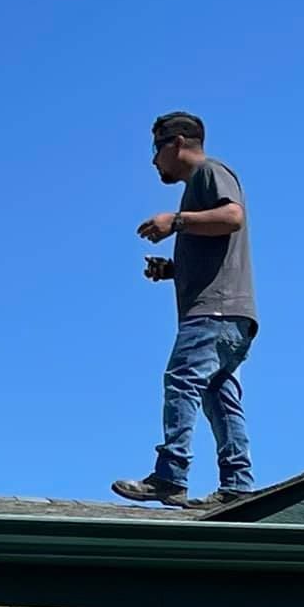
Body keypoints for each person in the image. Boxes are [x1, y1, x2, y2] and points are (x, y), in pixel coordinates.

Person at [112, 112, 258, 509]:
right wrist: (173, 270)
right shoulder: (200, 185)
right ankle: (237, 484)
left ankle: (170, 476)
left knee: (182, 382)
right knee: (219, 397)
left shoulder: (210, 173)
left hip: (213, 314)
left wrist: (175, 221)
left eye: (156, 149)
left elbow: (233, 217)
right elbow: (218, 250)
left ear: (176, 144)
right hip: (233, 316)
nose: (153, 160)